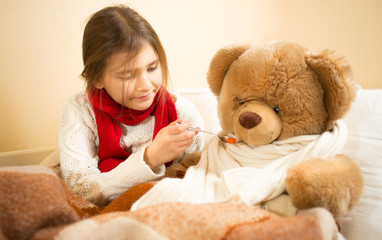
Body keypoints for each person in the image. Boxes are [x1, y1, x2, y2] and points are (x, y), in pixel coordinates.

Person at [58, 5, 204, 206]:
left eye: (152, 68)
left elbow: (198, 172)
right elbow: (82, 189)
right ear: (97, 79)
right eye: (128, 75)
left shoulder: (181, 112)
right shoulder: (79, 111)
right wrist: (150, 158)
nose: (145, 85)